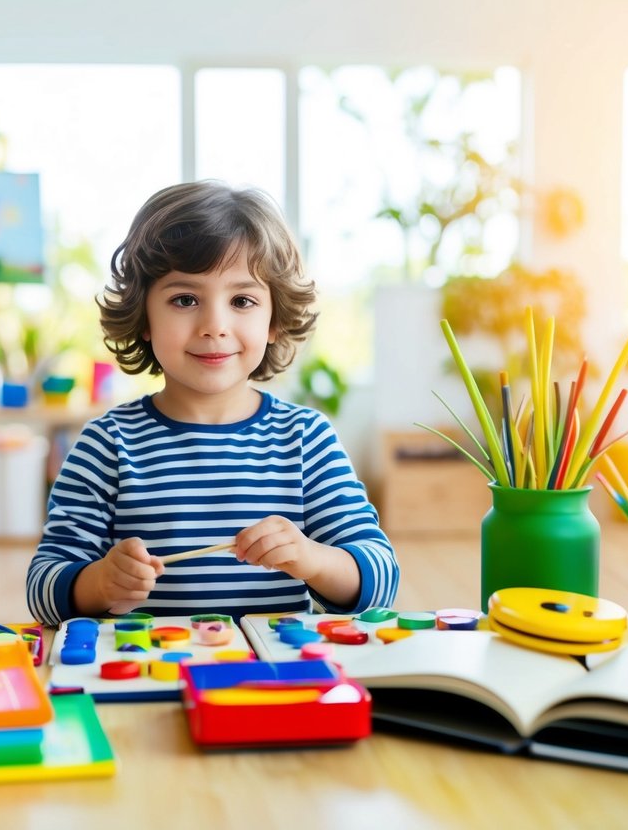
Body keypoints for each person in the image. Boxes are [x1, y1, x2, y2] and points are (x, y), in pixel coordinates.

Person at [26, 181, 398, 626]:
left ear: (274, 320)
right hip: (148, 679)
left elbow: (381, 577)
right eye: (185, 300)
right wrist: (99, 583)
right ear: (144, 317)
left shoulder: (306, 440)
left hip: (273, 682)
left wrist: (312, 559)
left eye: (242, 300)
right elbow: (43, 587)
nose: (214, 325)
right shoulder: (107, 445)